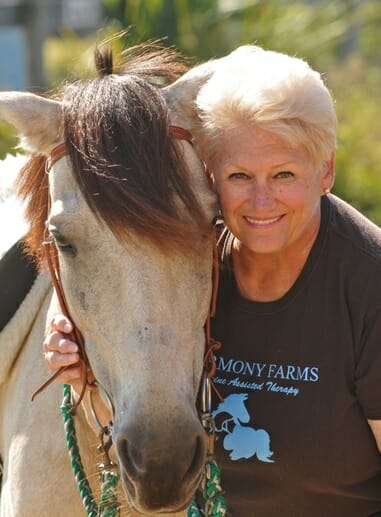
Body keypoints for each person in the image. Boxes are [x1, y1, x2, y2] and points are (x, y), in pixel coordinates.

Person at [43, 46, 381, 516]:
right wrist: (82, 357)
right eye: (239, 175)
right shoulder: (191, 264)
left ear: (326, 171)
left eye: (283, 174)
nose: (261, 202)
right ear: (210, 175)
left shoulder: (368, 287)